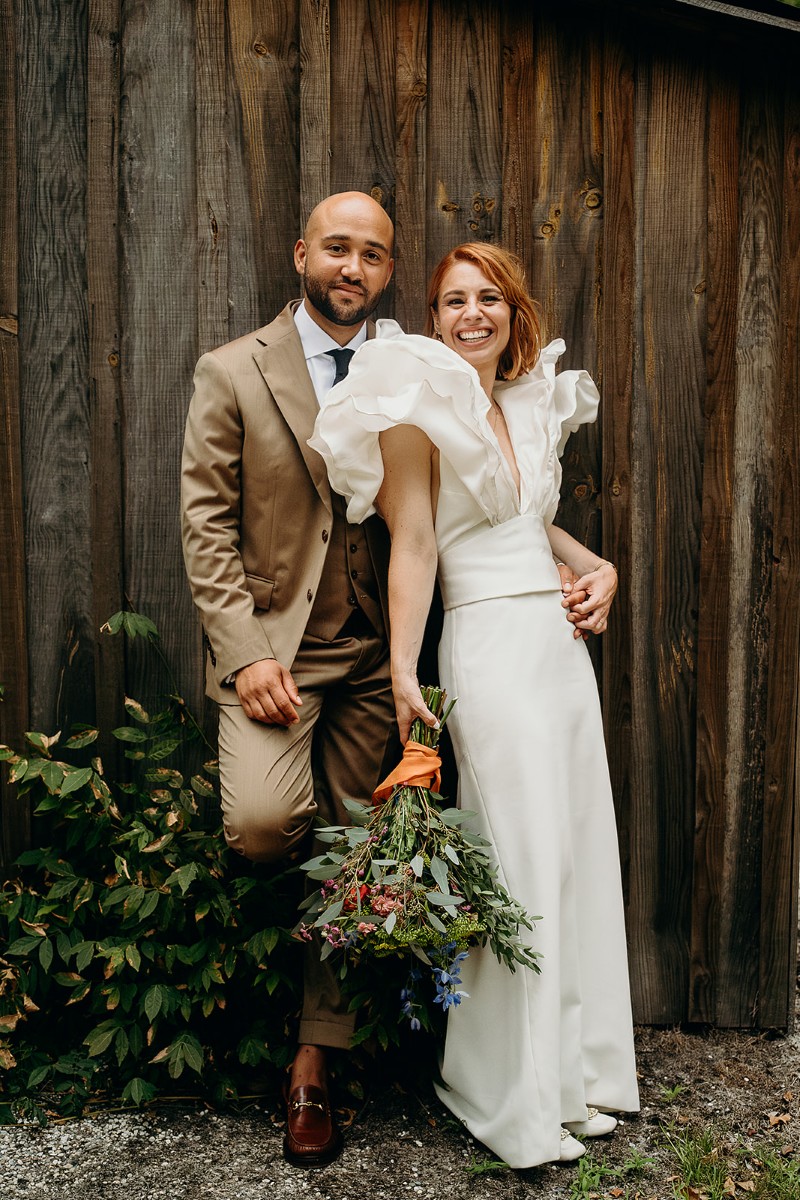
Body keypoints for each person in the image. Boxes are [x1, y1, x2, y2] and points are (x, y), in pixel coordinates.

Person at [309, 242, 640, 1168]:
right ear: (436, 315)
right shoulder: (417, 403)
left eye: (488, 297)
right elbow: (414, 542)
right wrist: (407, 671)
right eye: (453, 299)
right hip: (489, 649)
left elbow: (529, 520)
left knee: (571, 849)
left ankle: (576, 1077)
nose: (471, 314)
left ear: (514, 311)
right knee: (519, 854)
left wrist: (596, 565)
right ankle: (508, 1091)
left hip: (560, 651)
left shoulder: (532, 402)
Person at [180, 192, 398, 1167]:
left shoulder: (405, 371)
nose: (353, 267)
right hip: (275, 657)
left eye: (374, 255)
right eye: (338, 248)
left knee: (359, 851)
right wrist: (246, 651)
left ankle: (314, 1060)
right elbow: (205, 523)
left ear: (388, 273)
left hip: (372, 658)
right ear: (301, 251)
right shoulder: (232, 369)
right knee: (267, 825)